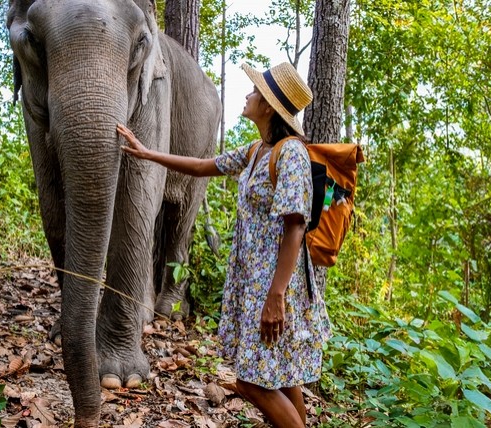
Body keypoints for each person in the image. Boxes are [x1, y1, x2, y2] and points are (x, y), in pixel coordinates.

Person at [117, 62, 331, 428]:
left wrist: (276, 296)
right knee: (283, 372)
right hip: (255, 280)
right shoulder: (256, 151)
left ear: (268, 105)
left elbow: (295, 226)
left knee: (251, 381)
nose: (247, 95)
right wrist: (147, 152)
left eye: (254, 91)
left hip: (276, 284)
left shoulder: (290, 153)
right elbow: (203, 166)